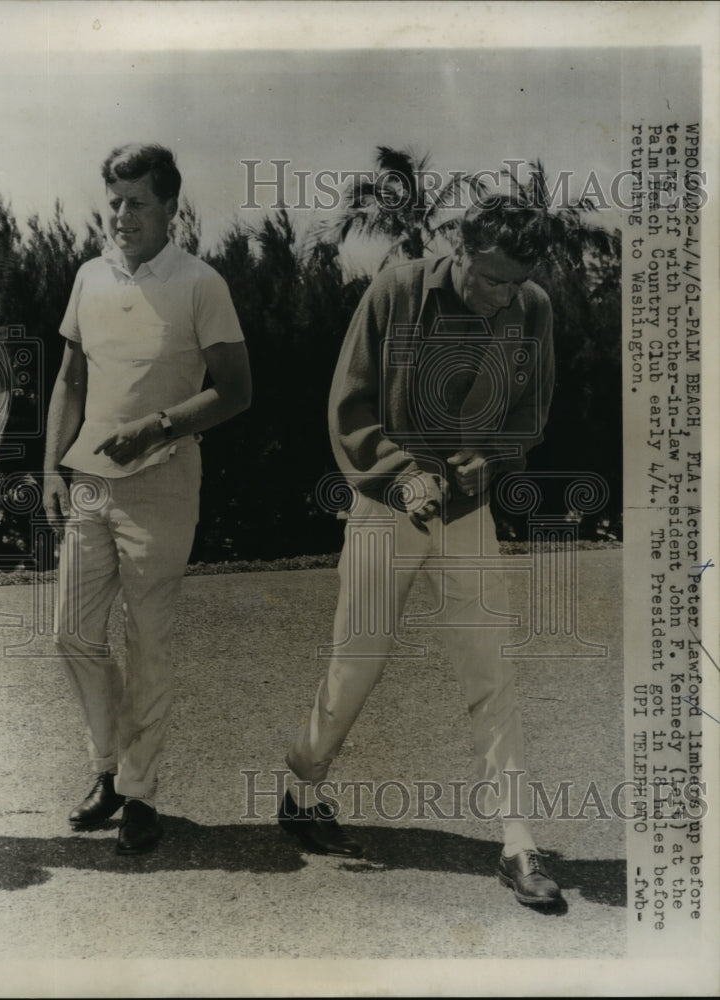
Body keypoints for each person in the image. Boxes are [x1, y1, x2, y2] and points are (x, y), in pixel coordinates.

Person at [279, 196, 562, 907]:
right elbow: (349, 404)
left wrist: (489, 458)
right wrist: (403, 475)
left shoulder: (532, 309)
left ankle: (518, 843)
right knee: (358, 664)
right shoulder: (397, 289)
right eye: (491, 279)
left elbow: (530, 413)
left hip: (466, 517)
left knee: (490, 673)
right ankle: (299, 789)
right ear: (458, 248)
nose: (505, 297)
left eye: (515, 281)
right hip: (384, 509)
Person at [43, 143, 251, 854]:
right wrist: (50, 469)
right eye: (115, 202)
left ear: (170, 208)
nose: (122, 215)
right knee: (73, 632)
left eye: (136, 202)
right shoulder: (88, 276)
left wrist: (159, 425)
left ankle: (138, 793)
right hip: (91, 483)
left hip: (164, 482)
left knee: (149, 642)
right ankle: (105, 769)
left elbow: (237, 390)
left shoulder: (202, 283)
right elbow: (70, 382)